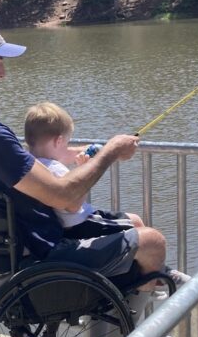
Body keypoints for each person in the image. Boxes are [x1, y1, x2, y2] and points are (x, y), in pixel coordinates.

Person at [0, 21, 182, 312]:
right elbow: (65, 196)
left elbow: (9, 164)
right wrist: (111, 151)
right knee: (152, 242)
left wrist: (59, 155)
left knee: (134, 224)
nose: (3, 73)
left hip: (5, 251)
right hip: (40, 257)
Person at [24, 101, 145, 238]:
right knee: (137, 223)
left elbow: (65, 154)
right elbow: (74, 203)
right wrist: (82, 169)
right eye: (66, 143)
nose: (67, 147)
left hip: (60, 227)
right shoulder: (55, 168)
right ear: (58, 141)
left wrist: (100, 149)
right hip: (80, 224)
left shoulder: (30, 166)